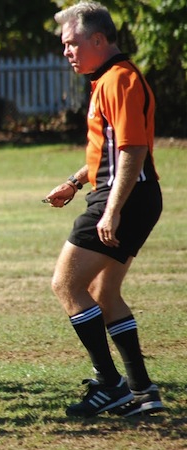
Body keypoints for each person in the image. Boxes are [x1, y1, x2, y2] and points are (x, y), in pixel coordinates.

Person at [45, 1, 163, 418]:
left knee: (66, 284)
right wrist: (76, 182)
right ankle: (143, 391)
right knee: (103, 292)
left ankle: (109, 383)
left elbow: (133, 150)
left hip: (123, 196)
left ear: (98, 39)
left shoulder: (119, 80)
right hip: (124, 195)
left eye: (72, 43)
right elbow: (110, 150)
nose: (67, 52)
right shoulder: (106, 80)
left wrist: (111, 210)